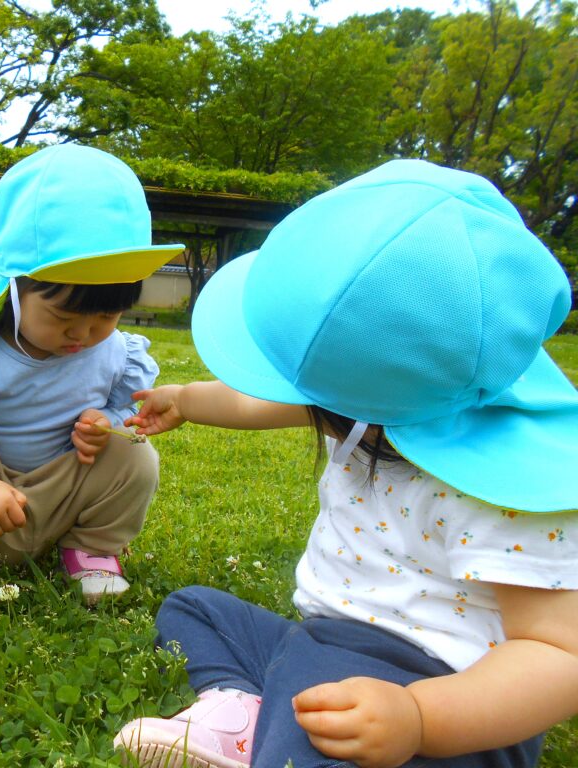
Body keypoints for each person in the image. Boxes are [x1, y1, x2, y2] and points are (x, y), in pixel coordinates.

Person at [113, 160, 578, 768]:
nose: (303, 404)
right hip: (315, 643)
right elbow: (260, 399)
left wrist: (419, 719)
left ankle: (275, 730)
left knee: (311, 748)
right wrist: (186, 399)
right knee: (195, 608)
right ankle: (247, 710)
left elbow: (557, 655)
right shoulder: (388, 397)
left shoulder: (510, 488)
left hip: (438, 696)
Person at [0, 144, 184, 609]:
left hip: (56, 497)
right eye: (64, 315)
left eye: (106, 316)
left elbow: (125, 407)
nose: (83, 334)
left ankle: (90, 551)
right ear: (15, 286)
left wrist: (107, 419)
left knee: (133, 451)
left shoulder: (116, 352)